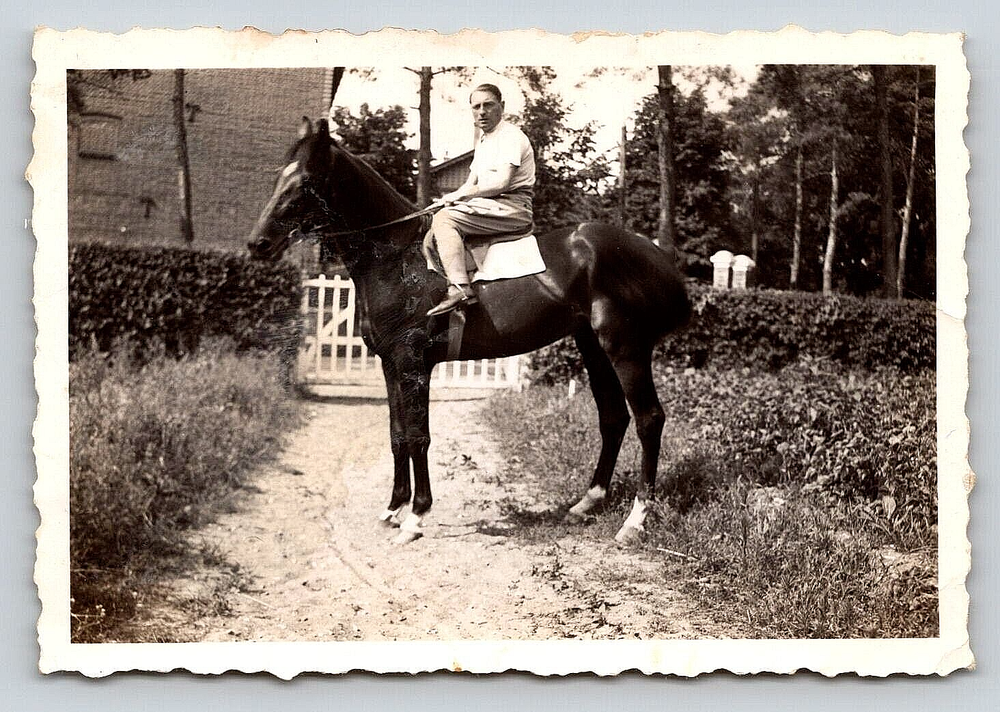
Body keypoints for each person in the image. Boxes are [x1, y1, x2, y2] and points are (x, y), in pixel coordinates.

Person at [425, 83, 536, 316]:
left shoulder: (511, 136)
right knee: (435, 220)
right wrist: (447, 199)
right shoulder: (484, 141)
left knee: (445, 221)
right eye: (476, 107)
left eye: (488, 105)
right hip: (490, 205)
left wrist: (461, 196)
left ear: (502, 107)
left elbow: (502, 183)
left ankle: (459, 289)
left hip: (512, 207)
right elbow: (470, 183)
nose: (482, 112)